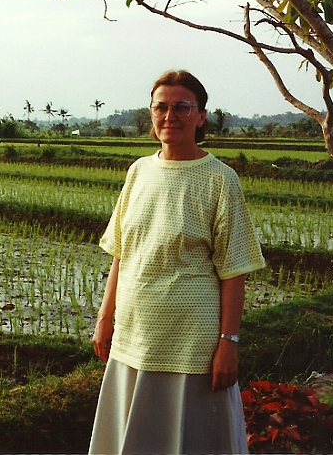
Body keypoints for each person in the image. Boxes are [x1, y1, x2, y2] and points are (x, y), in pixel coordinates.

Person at [88, 70, 265, 455]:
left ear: (201, 116)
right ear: (151, 115)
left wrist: (228, 343)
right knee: (135, 438)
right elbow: (122, 251)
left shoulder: (221, 179)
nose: (170, 116)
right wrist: (105, 318)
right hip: (134, 332)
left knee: (194, 438)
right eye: (161, 107)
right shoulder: (138, 172)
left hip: (192, 341)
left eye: (182, 107)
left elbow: (234, 271)